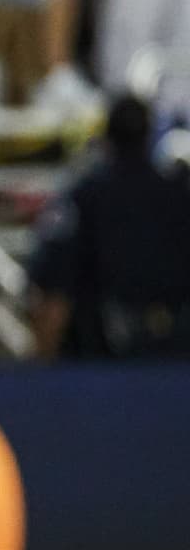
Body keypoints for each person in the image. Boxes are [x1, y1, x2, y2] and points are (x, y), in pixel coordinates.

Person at [26, 94, 190, 360]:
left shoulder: (84, 195)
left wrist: (41, 366)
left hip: (99, 363)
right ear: (148, 136)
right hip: (174, 360)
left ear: (108, 136)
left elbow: (51, 286)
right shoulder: (179, 194)